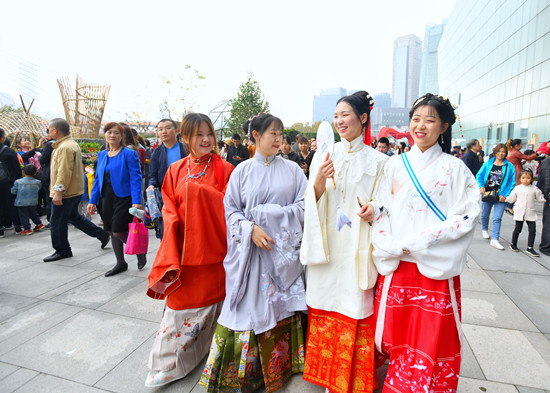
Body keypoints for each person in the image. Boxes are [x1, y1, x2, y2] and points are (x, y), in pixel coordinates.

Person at [372, 93, 480, 392]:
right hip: (398, 263)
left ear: (443, 127)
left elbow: (468, 214)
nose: (420, 126)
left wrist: (425, 240)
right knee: (395, 331)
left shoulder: (455, 168)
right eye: (416, 119)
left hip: (432, 264)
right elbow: (381, 206)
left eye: (429, 120)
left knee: (429, 336)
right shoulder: (394, 165)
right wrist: (385, 237)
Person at [200, 113, 307, 393]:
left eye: (281, 134)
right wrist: (251, 230)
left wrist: (269, 216)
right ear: (256, 135)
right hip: (251, 256)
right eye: (273, 133)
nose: (279, 139)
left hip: (281, 253)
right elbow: (231, 210)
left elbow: (305, 207)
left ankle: (284, 366)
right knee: (248, 309)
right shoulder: (242, 171)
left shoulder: (294, 170)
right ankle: (242, 376)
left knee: (279, 306)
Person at [300, 90, 387, 393]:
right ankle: (327, 377)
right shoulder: (325, 155)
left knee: (353, 303)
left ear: (363, 118)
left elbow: (386, 202)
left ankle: (353, 379)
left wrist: (374, 208)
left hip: (357, 246)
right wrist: (320, 180)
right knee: (326, 303)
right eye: (336, 115)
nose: (339, 121)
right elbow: (311, 202)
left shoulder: (380, 161)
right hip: (329, 246)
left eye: (345, 114)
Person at [145, 113, 233, 387]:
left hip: (213, 253)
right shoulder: (176, 170)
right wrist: (174, 227)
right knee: (177, 309)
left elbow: (232, 209)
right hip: (183, 249)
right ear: (186, 138)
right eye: (199, 135)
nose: (207, 140)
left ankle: (200, 354)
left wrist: (198, 195)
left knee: (209, 309)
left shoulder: (226, 169)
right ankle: (167, 363)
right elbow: (168, 206)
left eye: (209, 133)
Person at [43, 118, 110, 262]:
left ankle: (62, 250)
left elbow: (63, 172)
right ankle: (100, 234)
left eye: (49, 129)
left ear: (55, 130)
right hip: (72, 190)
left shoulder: (65, 147)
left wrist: (58, 192)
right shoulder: (67, 144)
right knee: (74, 217)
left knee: (57, 221)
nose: (47, 132)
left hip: (66, 192)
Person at [87, 122, 144, 276]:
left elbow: (136, 178)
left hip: (124, 197)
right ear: (105, 134)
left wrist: (137, 201)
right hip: (106, 197)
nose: (112, 135)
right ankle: (120, 262)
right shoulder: (102, 154)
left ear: (122, 136)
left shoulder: (128, 153)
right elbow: (98, 179)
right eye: (109, 132)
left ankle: (139, 252)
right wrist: (92, 200)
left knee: (118, 231)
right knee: (111, 230)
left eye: (116, 133)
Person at [476, 143, 516, 250]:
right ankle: (484, 229)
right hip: (488, 193)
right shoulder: (488, 164)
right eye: (499, 151)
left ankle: (495, 239)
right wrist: (481, 186)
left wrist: (505, 194)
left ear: (506, 153)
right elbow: (479, 175)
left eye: (503, 151)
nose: (501, 154)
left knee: (498, 217)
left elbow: (512, 182)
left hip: (500, 196)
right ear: (495, 152)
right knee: (485, 214)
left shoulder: (509, 166)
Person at [506, 169, 545, 256]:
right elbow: (511, 198)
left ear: (531, 179)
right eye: (523, 177)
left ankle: (530, 247)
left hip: (530, 212)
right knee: (517, 229)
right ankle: (513, 244)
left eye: (528, 178)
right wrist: (504, 198)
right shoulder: (517, 188)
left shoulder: (534, 189)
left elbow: (540, 198)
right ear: (520, 179)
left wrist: (546, 199)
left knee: (532, 230)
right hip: (519, 212)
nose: (526, 179)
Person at [147, 119, 189, 192]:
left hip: (186, 190)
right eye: (160, 129)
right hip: (166, 193)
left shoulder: (187, 149)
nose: (164, 131)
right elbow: (152, 175)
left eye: (168, 128)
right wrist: (151, 185)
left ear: (176, 131)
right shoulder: (156, 152)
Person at [0, 128, 23, 236]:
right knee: (12, 203)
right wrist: (17, 181)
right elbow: (17, 169)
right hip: (9, 182)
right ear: (3, 138)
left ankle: (1, 229)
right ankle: (17, 226)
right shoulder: (9, 151)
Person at [10, 164, 44, 235]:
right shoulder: (38, 182)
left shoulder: (18, 182)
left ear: (23, 172)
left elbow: (13, 191)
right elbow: (39, 189)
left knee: (23, 216)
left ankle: (27, 229)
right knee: (33, 213)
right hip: (33, 201)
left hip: (21, 202)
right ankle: (39, 224)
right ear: (35, 173)